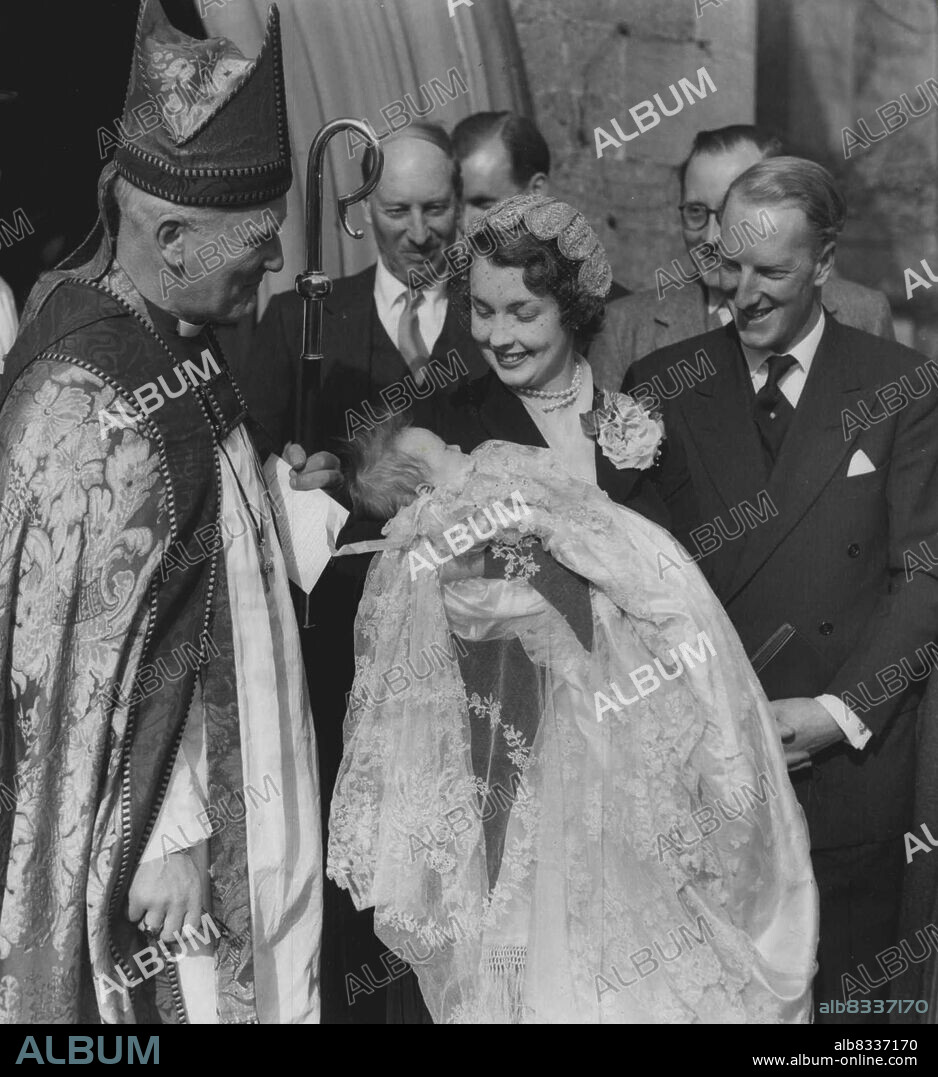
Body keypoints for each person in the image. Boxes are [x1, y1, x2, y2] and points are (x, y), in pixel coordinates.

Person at [0, 0, 330, 1024]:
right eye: (259, 240)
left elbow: (189, 555)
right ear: (173, 234)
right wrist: (166, 829)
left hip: (256, 767)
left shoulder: (177, 333)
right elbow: (76, 658)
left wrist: (287, 506)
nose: (275, 262)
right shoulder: (88, 395)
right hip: (171, 847)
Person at [327, 423, 818, 1023]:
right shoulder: (459, 551)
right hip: (587, 720)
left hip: (606, 704)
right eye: (447, 453)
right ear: (425, 495)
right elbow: (546, 611)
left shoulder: (499, 515)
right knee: (605, 892)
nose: (466, 449)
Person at [625, 157, 938, 1023]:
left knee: (848, 1016)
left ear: (826, 262)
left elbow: (926, 574)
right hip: (705, 765)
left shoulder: (900, 387)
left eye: (772, 271)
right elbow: (641, 583)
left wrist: (839, 712)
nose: (742, 294)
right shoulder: (663, 384)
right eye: (727, 264)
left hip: (847, 771)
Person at [241, 121, 487, 452]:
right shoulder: (295, 322)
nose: (418, 234)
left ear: (458, 206)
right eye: (397, 211)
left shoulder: (496, 310)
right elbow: (256, 464)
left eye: (434, 209)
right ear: (365, 208)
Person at [590, 125, 895, 391]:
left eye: (728, 214)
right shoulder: (624, 329)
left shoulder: (863, 314)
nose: (711, 238)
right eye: (696, 212)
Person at [452, 111, 628, 303]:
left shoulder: (605, 306)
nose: (466, 225)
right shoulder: (442, 302)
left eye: (483, 204)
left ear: (535, 191)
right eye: (457, 206)